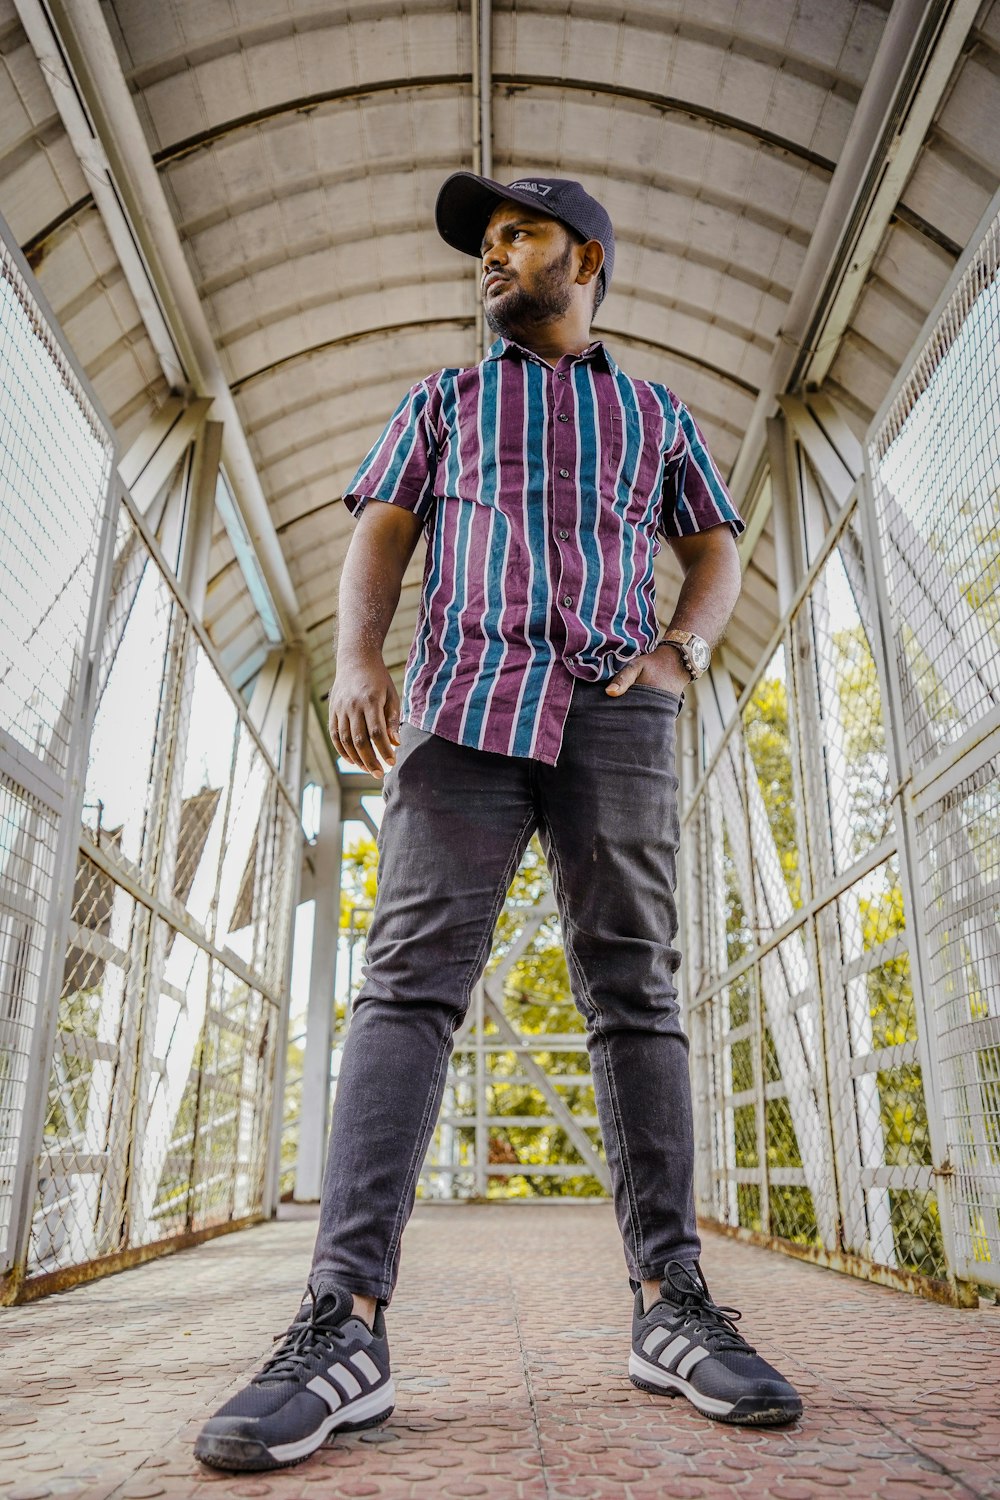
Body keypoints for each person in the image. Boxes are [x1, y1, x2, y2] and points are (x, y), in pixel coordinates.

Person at [194, 173, 802, 1475]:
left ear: (583, 254)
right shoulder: (445, 399)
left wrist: (683, 655)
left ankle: (670, 1303)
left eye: (517, 234)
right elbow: (383, 533)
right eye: (483, 241)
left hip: (613, 716)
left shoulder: (653, 414)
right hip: (463, 710)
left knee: (637, 993)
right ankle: (341, 1324)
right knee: (406, 992)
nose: (491, 255)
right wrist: (360, 663)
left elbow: (716, 549)